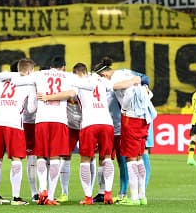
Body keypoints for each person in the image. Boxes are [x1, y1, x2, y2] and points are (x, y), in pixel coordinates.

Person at [38, 63, 118, 205]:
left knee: (85, 160)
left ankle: (88, 197)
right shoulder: (101, 80)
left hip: (89, 124)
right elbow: (113, 85)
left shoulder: (75, 82)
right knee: (106, 158)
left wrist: (47, 96)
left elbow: (71, 94)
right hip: (107, 123)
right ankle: (108, 193)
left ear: (75, 73)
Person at [93, 57, 151, 206]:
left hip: (130, 120)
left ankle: (133, 198)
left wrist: (124, 110)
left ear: (103, 75)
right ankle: (142, 196)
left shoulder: (114, 81)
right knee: (138, 157)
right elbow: (143, 78)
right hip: (144, 119)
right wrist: (139, 82)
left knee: (130, 159)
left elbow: (123, 90)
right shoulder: (125, 72)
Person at [0, 58, 37, 205]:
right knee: (16, 159)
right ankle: (16, 197)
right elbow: (31, 109)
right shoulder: (30, 83)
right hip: (14, 123)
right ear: (29, 70)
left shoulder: (3, 81)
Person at [31, 56, 74, 206]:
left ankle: (42, 190)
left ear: (50, 66)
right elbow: (71, 93)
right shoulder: (68, 76)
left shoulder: (39, 74)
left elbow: (18, 79)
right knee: (55, 157)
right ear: (63, 67)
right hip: (59, 120)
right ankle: (50, 196)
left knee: (41, 156)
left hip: (41, 119)